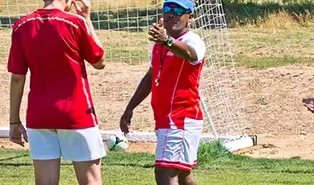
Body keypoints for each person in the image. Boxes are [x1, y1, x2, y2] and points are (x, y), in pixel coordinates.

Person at [7, 0, 106, 184]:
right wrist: (87, 18)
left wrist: (14, 120)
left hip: (39, 115)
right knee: (90, 180)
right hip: (76, 114)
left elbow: (17, 78)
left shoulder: (21, 26)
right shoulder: (75, 22)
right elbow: (99, 61)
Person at [120, 0, 206, 184]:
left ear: (190, 16)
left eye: (178, 10)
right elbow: (150, 78)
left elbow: (189, 54)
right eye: (167, 9)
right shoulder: (159, 45)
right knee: (182, 175)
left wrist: (166, 40)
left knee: (164, 172)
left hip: (181, 118)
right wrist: (130, 108)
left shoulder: (193, 40)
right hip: (165, 118)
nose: (171, 14)